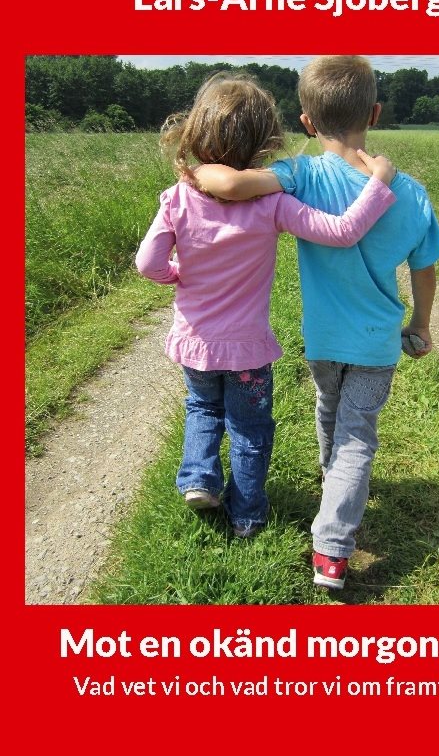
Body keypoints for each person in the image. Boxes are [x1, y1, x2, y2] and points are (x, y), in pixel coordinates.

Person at [194, 56, 439, 586]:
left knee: (329, 410)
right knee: (358, 435)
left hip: (323, 339)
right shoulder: (410, 192)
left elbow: (232, 186)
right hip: (376, 343)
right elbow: (423, 270)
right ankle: (332, 546)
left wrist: (191, 168)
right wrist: (421, 324)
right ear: (374, 114)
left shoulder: (300, 174)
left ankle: (335, 491)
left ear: (307, 122)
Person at [135, 71, 397, 540]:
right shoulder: (273, 203)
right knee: (250, 429)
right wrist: (378, 184)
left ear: (198, 130)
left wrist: (176, 275)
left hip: (196, 343)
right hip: (248, 351)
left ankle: (198, 478)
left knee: (202, 408)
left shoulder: (177, 198)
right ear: (265, 141)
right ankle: (248, 515)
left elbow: (147, 263)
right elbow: (342, 232)